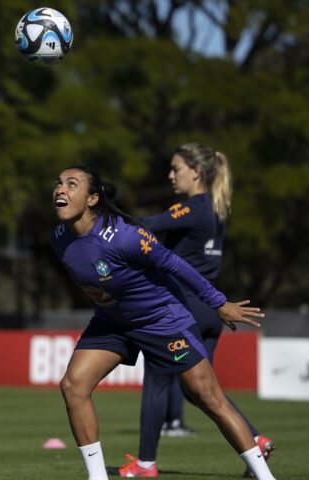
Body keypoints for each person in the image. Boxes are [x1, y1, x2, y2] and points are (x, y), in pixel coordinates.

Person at [50, 166, 276, 480]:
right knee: (73, 386)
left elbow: (174, 264)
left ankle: (265, 476)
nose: (60, 189)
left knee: (208, 398)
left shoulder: (125, 236)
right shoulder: (59, 237)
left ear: (91, 199)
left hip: (162, 321)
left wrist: (218, 302)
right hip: (114, 321)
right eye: (59, 183)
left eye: (71, 184)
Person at [120, 144, 275, 478]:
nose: (170, 175)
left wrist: (105, 215)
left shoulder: (195, 207)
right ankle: (256, 440)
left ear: (196, 171)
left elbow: (149, 223)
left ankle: (145, 465)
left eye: (176, 168)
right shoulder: (217, 208)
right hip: (208, 311)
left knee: (158, 380)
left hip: (183, 308)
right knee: (201, 393)